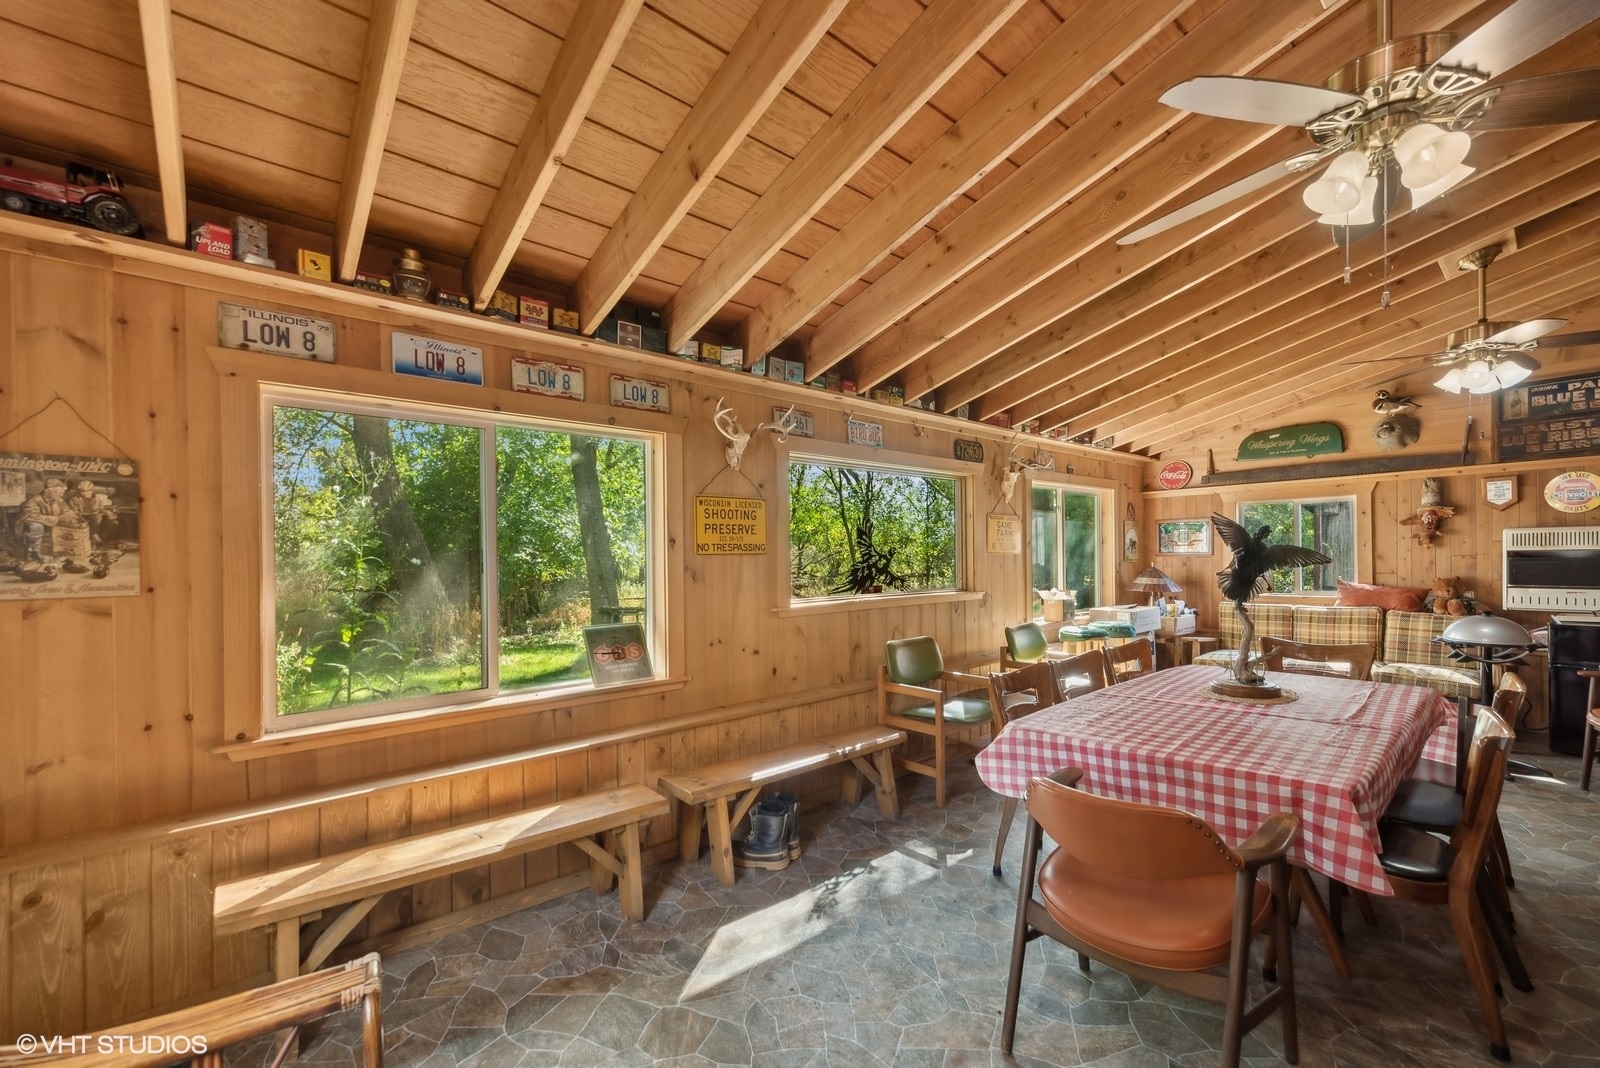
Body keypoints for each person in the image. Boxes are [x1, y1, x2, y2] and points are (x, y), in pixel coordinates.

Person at [19, 478, 72, 563]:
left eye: (61, 493)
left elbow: (67, 512)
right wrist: (57, 519)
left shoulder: (60, 501)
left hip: (52, 525)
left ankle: (62, 553)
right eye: (57, 492)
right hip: (34, 526)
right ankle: (33, 552)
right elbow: (31, 516)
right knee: (36, 526)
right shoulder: (33, 501)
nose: (61, 495)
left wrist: (67, 516)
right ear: (47, 492)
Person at [66, 479, 119, 546]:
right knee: (96, 517)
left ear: (91, 491)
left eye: (88, 491)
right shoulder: (74, 499)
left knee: (112, 521)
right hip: (81, 518)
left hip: (95, 519)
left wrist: (107, 512)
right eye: (82, 491)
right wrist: (84, 514)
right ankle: (95, 536)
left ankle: (98, 538)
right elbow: (73, 512)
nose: (85, 493)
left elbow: (100, 509)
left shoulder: (97, 499)